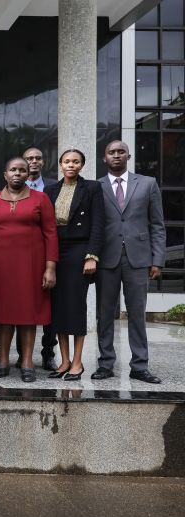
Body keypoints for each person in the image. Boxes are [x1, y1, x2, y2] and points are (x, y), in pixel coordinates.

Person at [0, 157, 58, 383]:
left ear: (27, 174)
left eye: (22, 170)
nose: (17, 173)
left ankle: (27, 362)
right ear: (5, 174)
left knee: (28, 315)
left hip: (31, 266)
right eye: (13, 169)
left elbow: (51, 234)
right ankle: (3, 361)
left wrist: (50, 267)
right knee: (3, 315)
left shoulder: (41, 199)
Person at [93, 140, 165, 384]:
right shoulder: (96, 186)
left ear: (128, 156)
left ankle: (140, 366)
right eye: (111, 152)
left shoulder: (147, 184)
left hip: (139, 258)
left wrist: (157, 260)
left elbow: (157, 225)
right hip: (106, 258)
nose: (116, 155)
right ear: (104, 158)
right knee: (104, 314)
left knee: (136, 313)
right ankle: (105, 364)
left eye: (120, 152)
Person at [44, 149, 104, 380]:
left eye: (76, 161)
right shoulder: (50, 190)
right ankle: (64, 361)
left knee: (76, 305)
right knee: (58, 307)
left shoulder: (92, 188)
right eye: (67, 161)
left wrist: (92, 256)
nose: (71, 165)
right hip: (55, 250)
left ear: (82, 165)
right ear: (60, 164)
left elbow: (98, 223)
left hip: (80, 250)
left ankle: (77, 362)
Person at [19, 146, 59, 371]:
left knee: (48, 306)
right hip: (24, 256)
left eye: (37, 158)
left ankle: (48, 353)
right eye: (29, 158)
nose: (33, 161)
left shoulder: (54, 187)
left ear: (43, 162)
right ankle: (22, 355)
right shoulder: (13, 187)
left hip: (48, 253)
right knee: (22, 304)